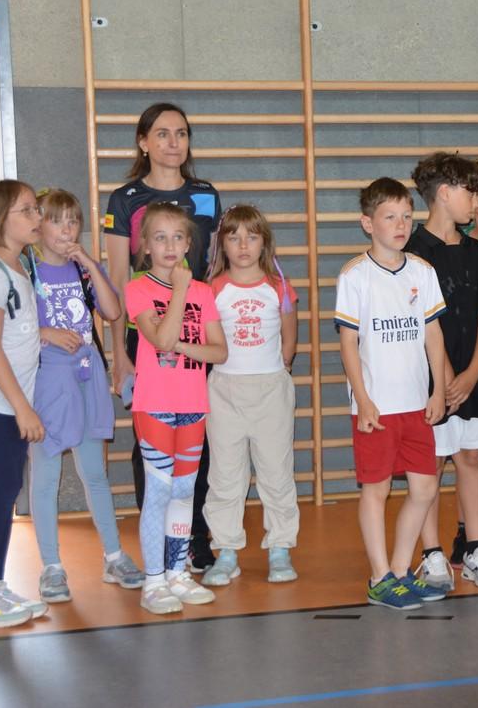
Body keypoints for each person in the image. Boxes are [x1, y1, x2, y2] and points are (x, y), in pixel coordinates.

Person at [104, 103, 221, 572]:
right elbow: (118, 279)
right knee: (151, 448)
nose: (174, 143)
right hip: (147, 333)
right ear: (143, 142)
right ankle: (157, 549)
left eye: (182, 133)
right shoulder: (125, 199)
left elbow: (212, 265)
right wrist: (119, 352)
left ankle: (193, 538)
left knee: (197, 438)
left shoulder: (205, 194)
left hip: (194, 327)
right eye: (163, 134)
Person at [336, 178, 449, 610]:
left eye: (406, 216)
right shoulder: (355, 276)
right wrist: (363, 399)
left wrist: (438, 389)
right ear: (368, 223)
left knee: (424, 487)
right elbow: (348, 343)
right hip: (377, 407)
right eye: (390, 217)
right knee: (376, 490)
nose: (401, 225)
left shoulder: (423, 271)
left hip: (416, 403)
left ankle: (401, 571)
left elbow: (433, 334)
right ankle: (378, 577)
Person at [28, 188, 143, 603]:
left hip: (86, 374)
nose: (67, 229)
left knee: (94, 472)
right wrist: (45, 332)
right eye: (57, 221)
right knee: (46, 477)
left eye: (73, 221)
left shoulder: (82, 270)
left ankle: (113, 556)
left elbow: (112, 312)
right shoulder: (27, 271)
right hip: (48, 380)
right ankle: (51, 567)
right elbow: (6, 326)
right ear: (38, 226)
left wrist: (91, 265)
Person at [124, 202, 228, 613]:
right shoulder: (138, 288)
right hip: (154, 405)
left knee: (185, 492)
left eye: (177, 237)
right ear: (146, 246)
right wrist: (180, 291)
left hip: (192, 405)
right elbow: (160, 340)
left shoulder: (204, 292)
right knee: (159, 492)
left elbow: (218, 352)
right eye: (160, 238)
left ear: (188, 244)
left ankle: (176, 573)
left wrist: (184, 345)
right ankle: (153, 582)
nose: (170, 246)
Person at [408, 153, 478, 591]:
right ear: (445, 194)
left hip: (472, 378)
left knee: (471, 457)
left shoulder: (475, 252)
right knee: (431, 463)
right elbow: (422, 323)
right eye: (471, 191)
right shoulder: (414, 253)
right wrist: (447, 377)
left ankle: (475, 548)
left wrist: (475, 369)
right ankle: (430, 554)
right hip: (433, 383)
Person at [201, 205, 300, 587]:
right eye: (234, 237)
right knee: (225, 475)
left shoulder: (278, 287)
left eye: (252, 237)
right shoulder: (214, 289)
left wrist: (281, 369)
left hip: (270, 390)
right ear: (222, 244)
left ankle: (280, 547)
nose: (243, 245)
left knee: (276, 473)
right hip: (225, 392)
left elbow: (289, 335)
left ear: (264, 243)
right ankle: (226, 550)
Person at [0, 180, 47, 628]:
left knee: (6, 491)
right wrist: (23, 407)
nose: (38, 217)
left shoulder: (18, 266)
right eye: (28, 211)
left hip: (9, 401)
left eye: (36, 209)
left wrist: (46, 334)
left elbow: (16, 329)